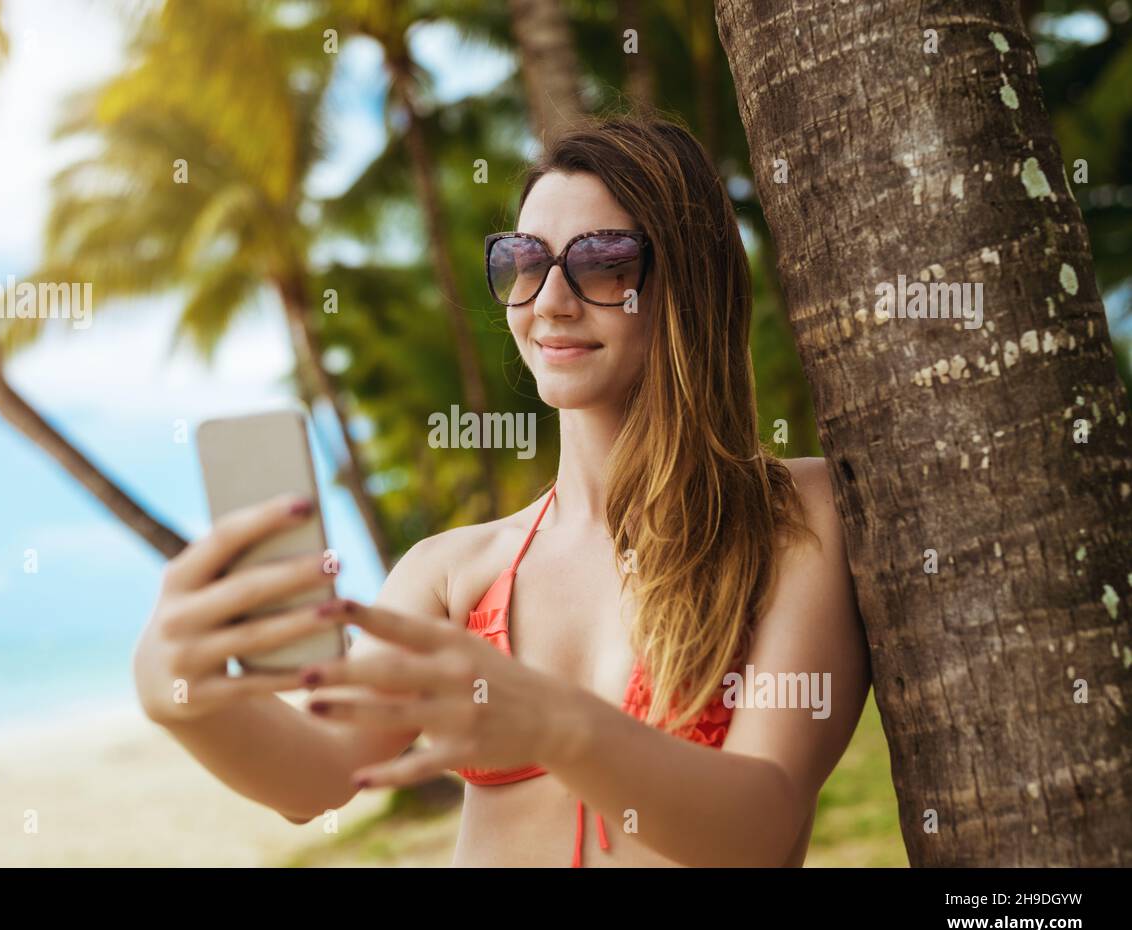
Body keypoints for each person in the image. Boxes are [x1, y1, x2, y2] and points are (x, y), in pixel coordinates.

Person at [132, 111, 871, 867]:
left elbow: (762, 825)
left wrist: (556, 724)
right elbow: (317, 774)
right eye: (524, 260)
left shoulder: (791, 517)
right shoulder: (454, 571)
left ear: (689, 279)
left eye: (604, 260)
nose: (549, 300)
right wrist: (181, 697)